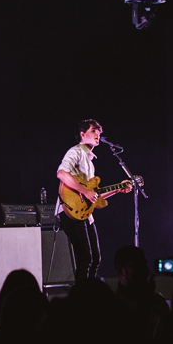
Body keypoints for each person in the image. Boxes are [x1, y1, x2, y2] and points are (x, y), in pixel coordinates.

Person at [55, 119, 129, 282]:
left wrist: (118, 188)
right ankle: (82, 300)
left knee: (95, 259)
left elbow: (94, 195)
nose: (98, 134)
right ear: (82, 134)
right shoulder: (76, 152)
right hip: (70, 210)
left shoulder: (89, 160)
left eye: (99, 131)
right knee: (86, 259)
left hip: (85, 213)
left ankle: (89, 295)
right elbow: (61, 173)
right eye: (94, 130)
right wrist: (85, 191)